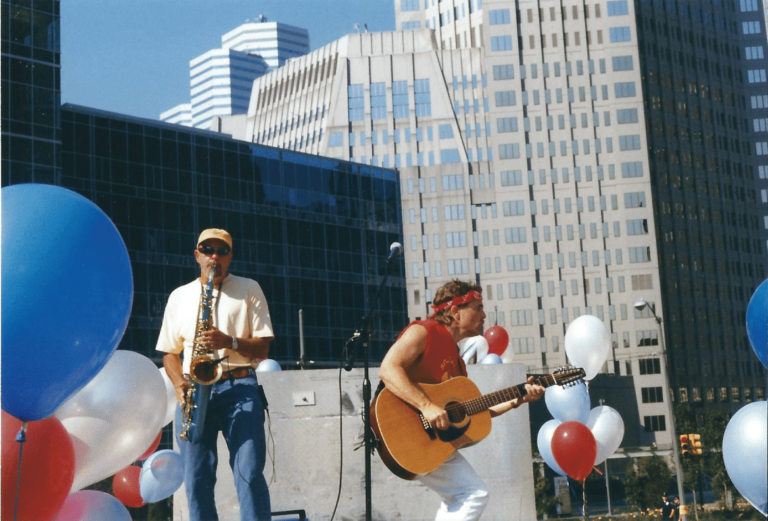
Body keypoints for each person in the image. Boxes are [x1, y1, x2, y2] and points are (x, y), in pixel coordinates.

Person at [377, 279, 546, 520]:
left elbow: (477, 411)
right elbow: (388, 368)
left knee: (467, 494)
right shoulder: (423, 331)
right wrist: (426, 406)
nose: (484, 314)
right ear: (455, 312)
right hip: (402, 431)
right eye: (477, 307)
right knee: (471, 494)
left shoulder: (457, 361)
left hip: (432, 441)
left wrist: (518, 398)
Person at [157, 228, 274, 521]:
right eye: (208, 250)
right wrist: (179, 384)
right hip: (194, 390)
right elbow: (170, 352)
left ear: (230, 257)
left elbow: (264, 347)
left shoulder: (249, 288)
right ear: (197, 256)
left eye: (222, 251)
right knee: (196, 481)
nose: (214, 257)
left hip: (240, 385)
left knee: (248, 474)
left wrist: (229, 342)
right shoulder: (179, 296)